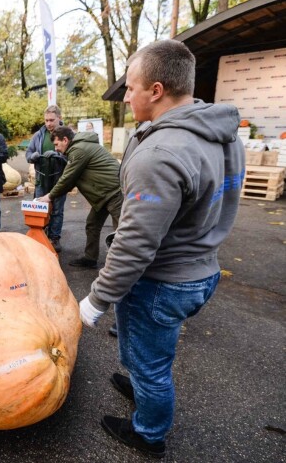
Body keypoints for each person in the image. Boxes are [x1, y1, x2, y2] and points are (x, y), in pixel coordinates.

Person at [78, 40, 245, 458]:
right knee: (140, 349)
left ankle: (148, 433)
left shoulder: (160, 154)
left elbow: (135, 244)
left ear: (155, 90)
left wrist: (97, 299)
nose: (126, 96)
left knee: (153, 366)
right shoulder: (221, 133)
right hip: (201, 269)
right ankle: (137, 382)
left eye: (130, 88)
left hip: (163, 280)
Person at [36, 126, 122, 268]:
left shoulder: (79, 150)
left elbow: (68, 178)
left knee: (121, 231)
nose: (56, 148)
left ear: (65, 140)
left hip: (114, 192)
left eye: (57, 144)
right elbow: (71, 181)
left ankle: (122, 267)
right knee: (92, 224)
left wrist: (49, 197)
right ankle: (90, 258)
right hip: (103, 194)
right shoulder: (78, 148)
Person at [26, 105, 67, 252]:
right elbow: (28, 153)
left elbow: (74, 157)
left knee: (57, 210)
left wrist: (59, 156)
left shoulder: (67, 134)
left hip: (59, 179)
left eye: (51, 120)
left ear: (59, 118)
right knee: (40, 208)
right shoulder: (38, 135)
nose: (48, 123)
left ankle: (54, 238)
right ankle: (40, 235)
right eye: (46, 120)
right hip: (41, 179)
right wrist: (32, 156)